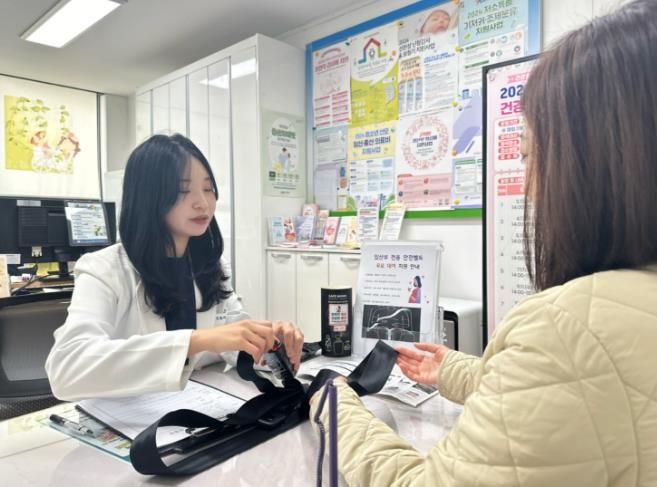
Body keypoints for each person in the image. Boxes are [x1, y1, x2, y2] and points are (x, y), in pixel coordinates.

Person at [310, 1, 657, 484]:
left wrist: (332, 403)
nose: (529, 186)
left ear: (595, 162)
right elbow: (588, 394)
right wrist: (456, 371)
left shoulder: (564, 327)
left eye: (530, 154)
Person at [46, 134, 304, 400]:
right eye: (182, 191)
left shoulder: (211, 266)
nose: (202, 203)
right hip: (124, 414)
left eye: (208, 188)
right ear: (148, 197)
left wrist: (269, 343)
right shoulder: (104, 270)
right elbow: (67, 370)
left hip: (198, 406)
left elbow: (231, 340)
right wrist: (196, 340)